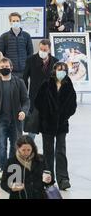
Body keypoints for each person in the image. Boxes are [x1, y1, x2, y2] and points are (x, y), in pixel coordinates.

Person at [34, 62, 77, 190]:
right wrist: (47, 115)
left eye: (64, 70)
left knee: (61, 151)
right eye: (59, 69)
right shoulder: (46, 84)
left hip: (62, 124)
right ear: (54, 70)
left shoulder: (69, 85)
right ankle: (48, 179)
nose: (61, 72)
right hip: (47, 124)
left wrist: (63, 116)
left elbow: (72, 106)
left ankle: (63, 179)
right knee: (48, 152)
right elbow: (38, 102)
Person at [0, 57, 30, 172]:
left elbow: (26, 100)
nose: (4, 69)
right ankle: (3, 169)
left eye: (6, 67)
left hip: (15, 120)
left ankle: (11, 169)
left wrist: (23, 112)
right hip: (0, 121)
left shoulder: (19, 82)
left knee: (15, 147)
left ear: (11, 68)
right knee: (1, 147)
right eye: (2, 67)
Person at [23, 39, 59, 138]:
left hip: (50, 98)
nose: (42, 52)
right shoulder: (31, 60)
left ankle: (48, 148)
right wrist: (25, 93)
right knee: (32, 124)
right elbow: (25, 77)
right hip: (34, 96)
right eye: (41, 49)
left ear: (49, 50)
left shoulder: (55, 62)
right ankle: (30, 145)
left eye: (45, 50)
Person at [0, 12, 33, 78]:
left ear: (20, 22)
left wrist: (27, 67)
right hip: (10, 71)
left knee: (24, 88)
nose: (15, 22)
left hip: (24, 71)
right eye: (13, 21)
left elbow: (30, 53)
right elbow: (0, 54)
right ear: (10, 22)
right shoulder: (4, 36)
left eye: (17, 21)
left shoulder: (26, 36)